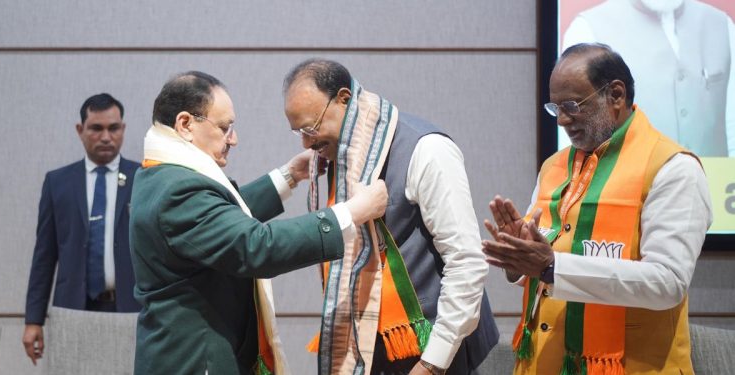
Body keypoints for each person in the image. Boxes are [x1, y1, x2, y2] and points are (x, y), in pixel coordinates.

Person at [130, 71, 388, 375]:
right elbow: (254, 246)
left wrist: (289, 175)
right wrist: (351, 212)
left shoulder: (161, 173)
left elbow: (218, 224)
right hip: (197, 362)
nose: (234, 139)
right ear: (185, 124)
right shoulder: (179, 190)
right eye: (225, 128)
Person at [482, 43, 712, 374]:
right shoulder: (555, 167)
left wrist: (551, 265)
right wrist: (519, 257)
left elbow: (668, 283)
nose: (562, 120)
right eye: (555, 107)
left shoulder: (673, 168)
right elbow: (544, 274)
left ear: (616, 95)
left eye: (573, 105)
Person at [283, 59, 499, 375]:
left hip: (432, 350)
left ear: (344, 99)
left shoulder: (426, 148)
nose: (306, 143)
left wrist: (433, 363)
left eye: (311, 128)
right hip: (369, 349)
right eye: (298, 132)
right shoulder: (334, 161)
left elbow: (466, 263)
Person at [23, 93, 141, 365]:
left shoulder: (143, 178)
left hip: (130, 308)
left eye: (113, 128)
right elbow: (44, 255)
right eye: (96, 128)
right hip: (74, 306)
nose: (105, 137)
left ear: (122, 129)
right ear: (81, 130)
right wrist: (33, 320)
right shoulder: (58, 182)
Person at [562, 0, 735, 156]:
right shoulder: (587, 29)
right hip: (631, 188)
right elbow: (576, 144)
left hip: (715, 187)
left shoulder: (723, 25)